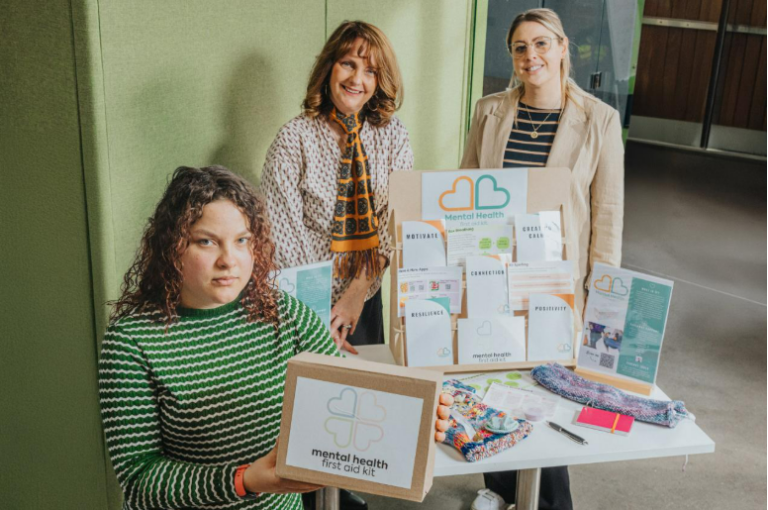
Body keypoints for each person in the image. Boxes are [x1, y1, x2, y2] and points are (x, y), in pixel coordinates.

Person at [98, 166, 451, 510]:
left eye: (242, 241)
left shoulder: (283, 311)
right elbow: (139, 480)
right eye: (206, 242)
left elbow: (347, 396)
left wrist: (413, 416)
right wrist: (245, 480)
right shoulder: (131, 341)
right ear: (171, 247)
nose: (228, 260)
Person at [461, 8, 624, 510]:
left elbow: (608, 210)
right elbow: (465, 187)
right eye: (520, 48)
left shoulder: (599, 119)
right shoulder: (490, 110)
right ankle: (501, 487)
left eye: (540, 44)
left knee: (548, 389)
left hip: (556, 275)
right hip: (493, 267)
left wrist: (602, 289)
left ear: (561, 48)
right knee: (491, 379)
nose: (531, 56)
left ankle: (551, 504)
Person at [261, 21, 412, 355]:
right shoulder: (293, 141)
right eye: (348, 64)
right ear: (329, 66)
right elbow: (284, 241)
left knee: (369, 396)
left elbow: (393, 221)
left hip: (365, 298)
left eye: (371, 71)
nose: (357, 79)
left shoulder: (393, 135)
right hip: (303, 308)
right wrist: (318, 323)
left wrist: (356, 294)